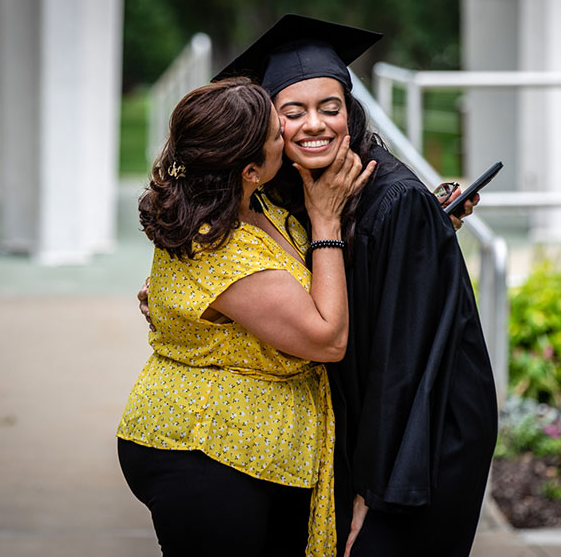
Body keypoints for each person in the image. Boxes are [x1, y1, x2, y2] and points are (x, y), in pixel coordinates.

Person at [213, 14, 499, 556]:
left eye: (330, 108)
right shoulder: (297, 190)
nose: (314, 125)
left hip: (422, 435)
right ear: (270, 128)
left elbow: (404, 362)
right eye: (292, 113)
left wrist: (370, 491)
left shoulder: (393, 200)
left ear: (352, 112)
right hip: (369, 423)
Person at [117, 76, 374, 556]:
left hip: (243, 450)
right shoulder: (225, 248)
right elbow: (327, 339)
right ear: (252, 169)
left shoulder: (252, 207)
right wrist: (326, 221)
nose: (291, 134)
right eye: (279, 131)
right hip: (205, 452)